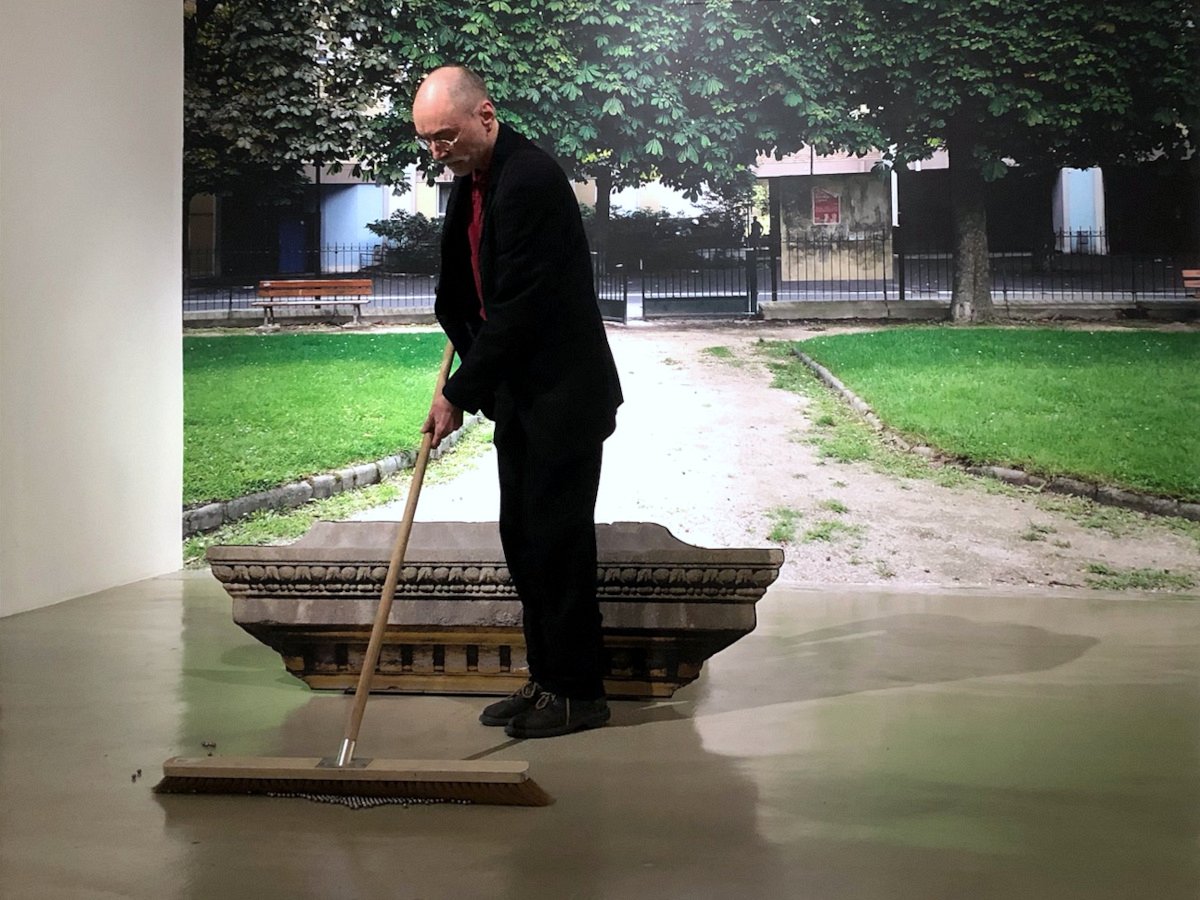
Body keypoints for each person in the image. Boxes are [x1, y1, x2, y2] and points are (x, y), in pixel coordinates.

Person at [412, 66, 624, 739]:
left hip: (563, 395)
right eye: (427, 140)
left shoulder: (530, 178)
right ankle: (548, 677)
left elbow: (522, 306)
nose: (437, 151)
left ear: (486, 115)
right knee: (524, 540)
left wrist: (458, 392)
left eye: (445, 136)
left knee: (557, 544)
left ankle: (579, 692)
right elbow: (464, 289)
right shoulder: (474, 180)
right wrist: (463, 347)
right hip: (522, 394)